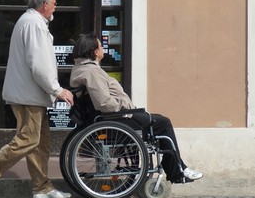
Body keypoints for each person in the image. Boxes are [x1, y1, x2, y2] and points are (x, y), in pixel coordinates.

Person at [0, 0, 74, 198]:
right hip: (29, 95)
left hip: (31, 94)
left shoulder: (31, 22)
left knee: (40, 144)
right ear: (44, 4)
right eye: (54, 2)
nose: (56, 6)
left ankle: (41, 187)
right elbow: (39, 64)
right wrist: (57, 89)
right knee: (29, 139)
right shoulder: (34, 24)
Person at [69, 32, 203, 183]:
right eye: (101, 45)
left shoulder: (83, 69)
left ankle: (176, 165)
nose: (103, 48)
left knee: (156, 120)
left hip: (111, 118)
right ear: (95, 52)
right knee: (163, 123)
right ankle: (177, 168)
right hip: (113, 118)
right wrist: (126, 107)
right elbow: (104, 103)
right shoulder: (91, 71)